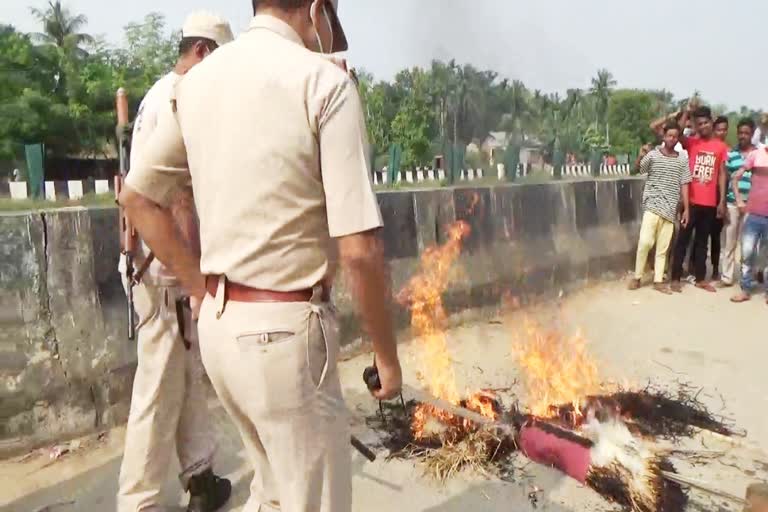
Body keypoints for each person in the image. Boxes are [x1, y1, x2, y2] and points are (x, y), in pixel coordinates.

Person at [118, 1, 403, 511]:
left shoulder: (195, 84)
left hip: (222, 333)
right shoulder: (323, 84)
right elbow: (359, 250)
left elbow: (137, 198)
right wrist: (387, 356)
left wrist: (201, 289)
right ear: (318, 11)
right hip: (286, 339)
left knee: (272, 493)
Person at [116, 12, 234, 512]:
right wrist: (197, 279)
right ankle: (137, 503)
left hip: (158, 266)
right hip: (161, 270)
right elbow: (172, 202)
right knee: (157, 392)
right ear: (204, 53)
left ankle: (201, 476)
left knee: (183, 376)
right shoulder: (180, 99)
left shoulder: (158, 95)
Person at [670, 106, 728, 292]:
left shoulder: (720, 147)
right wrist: (686, 112)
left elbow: (721, 174)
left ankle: (701, 278)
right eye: (699, 124)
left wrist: (721, 201)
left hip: (710, 204)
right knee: (682, 241)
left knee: (703, 243)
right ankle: (676, 278)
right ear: (695, 125)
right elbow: (676, 132)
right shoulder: (692, 143)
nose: (702, 126)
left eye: (705, 123)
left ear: (711, 122)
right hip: (691, 203)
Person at [629, 122, 691, 294]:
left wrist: (686, 208)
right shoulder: (653, 155)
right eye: (669, 135)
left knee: (663, 248)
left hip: (671, 209)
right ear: (664, 136)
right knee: (645, 242)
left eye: (675, 136)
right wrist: (640, 155)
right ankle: (637, 276)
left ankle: (658, 280)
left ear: (678, 138)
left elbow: (685, 183)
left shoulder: (681, 159)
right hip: (653, 205)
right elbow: (636, 170)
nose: (672, 139)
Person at [719, 118, 758, 287]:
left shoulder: (758, 154)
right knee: (729, 242)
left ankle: (745, 278)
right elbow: (724, 178)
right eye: (740, 133)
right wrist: (722, 202)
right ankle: (726, 277)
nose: (743, 136)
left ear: (752, 134)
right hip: (732, 203)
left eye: (746, 133)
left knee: (748, 245)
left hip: (752, 205)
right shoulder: (731, 154)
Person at [731, 145, 768, 303]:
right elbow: (735, 177)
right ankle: (745, 289)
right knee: (747, 253)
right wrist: (739, 200)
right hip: (753, 214)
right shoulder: (755, 155)